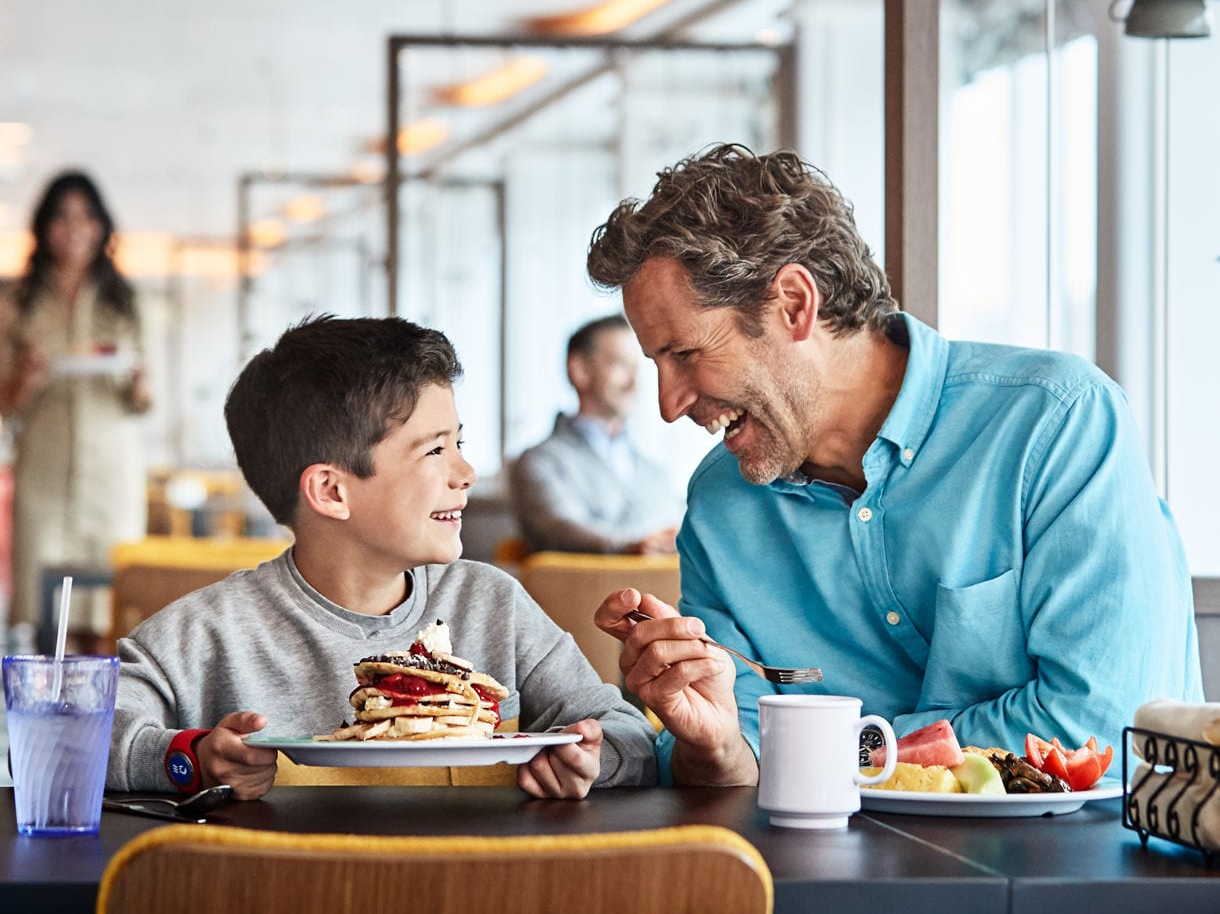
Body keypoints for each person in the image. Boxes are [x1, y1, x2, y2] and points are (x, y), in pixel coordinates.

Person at [586, 143, 1202, 786]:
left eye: (684, 353)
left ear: (795, 305)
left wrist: (820, 751)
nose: (667, 404)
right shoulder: (721, 505)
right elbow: (736, 756)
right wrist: (709, 744)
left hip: (1078, 873)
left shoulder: (1056, 423)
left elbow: (1106, 727)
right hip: (815, 879)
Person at [107, 315, 656, 800]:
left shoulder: (490, 605)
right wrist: (191, 758)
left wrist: (590, 761)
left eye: (459, 444)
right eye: (435, 449)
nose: (464, 473)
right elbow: (87, 740)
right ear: (331, 492)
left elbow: (628, 735)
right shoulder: (207, 633)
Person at [0, 171, 151, 645]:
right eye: (62, 216)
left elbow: (143, 401)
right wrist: (24, 377)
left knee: (105, 608)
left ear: (102, 225)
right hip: (44, 467)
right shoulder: (17, 302)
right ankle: (49, 713)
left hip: (111, 468)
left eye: (86, 215)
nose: (75, 227)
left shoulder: (123, 300)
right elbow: (5, 405)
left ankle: (106, 718)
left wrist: (139, 383)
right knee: (48, 619)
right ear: (44, 227)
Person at [510, 314, 684, 555]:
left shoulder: (654, 471)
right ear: (579, 370)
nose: (635, 382)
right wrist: (634, 546)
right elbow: (559, 530)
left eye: (637, 368)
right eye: (621, 365)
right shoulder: (540, 462)